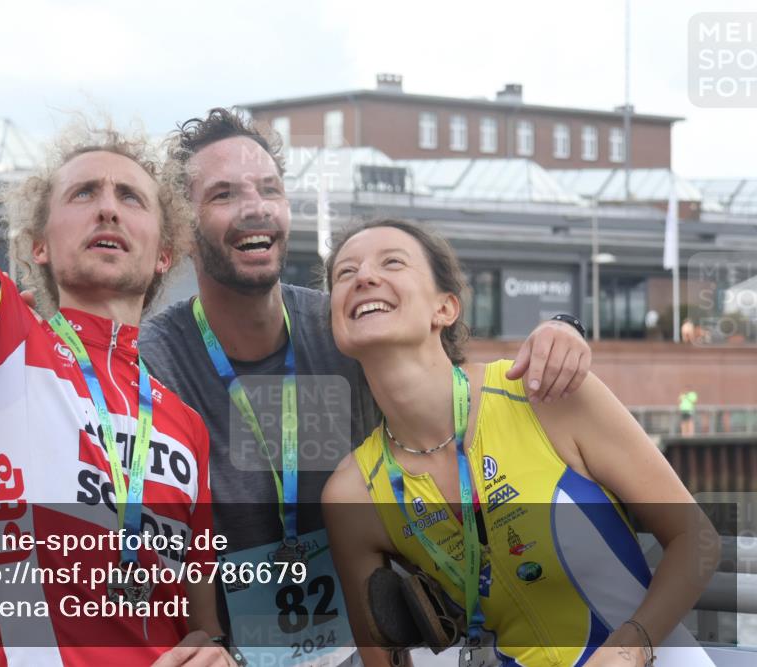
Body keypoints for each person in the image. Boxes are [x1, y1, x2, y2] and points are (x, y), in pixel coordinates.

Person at [137, 109, 595, 664]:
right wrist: (206, 635)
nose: (255, 208)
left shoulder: (342, 326)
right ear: (183, 228)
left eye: (270, 189)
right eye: (223, 194)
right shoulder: (152, 360)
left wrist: (561, 331)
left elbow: (451, 393)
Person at [0, 3, 227, 665]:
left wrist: (217, 652)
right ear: (39, 245)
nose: (108, 207)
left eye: (131, 197)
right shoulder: (0, 347)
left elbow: (200, 625)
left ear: (164, 254)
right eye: (83, 194)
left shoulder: (185, 425)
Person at [320, 219, 718, 667]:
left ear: (445, 308)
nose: (364, 277)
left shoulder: (543, 394)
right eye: (345, 273)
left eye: (392, 262)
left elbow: (697, 537)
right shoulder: (353, 494)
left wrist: (630, 650)